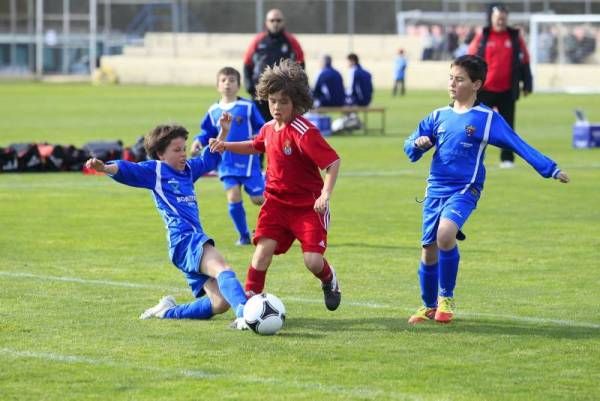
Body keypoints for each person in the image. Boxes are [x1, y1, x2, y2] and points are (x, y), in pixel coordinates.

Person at [403, 55, 569, 325]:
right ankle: (428, 305)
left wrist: (549, 169)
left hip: (466, 189)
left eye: (460, 79)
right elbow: (410, 145)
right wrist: (418, 144)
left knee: (446, 234)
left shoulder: (486, 119)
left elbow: (517, 144)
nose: (453, 84)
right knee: (428, 248)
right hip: (435, 190)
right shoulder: (438, 116)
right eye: (451, 78)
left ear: (476, 84)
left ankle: (447, 298)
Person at [85, 121, 251, 330]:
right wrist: (105, 168)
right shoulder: (156, 171)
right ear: (161, 155)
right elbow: (129, 169)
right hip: (185, 240)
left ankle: (166, 312)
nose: (183, 154)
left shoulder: (188, 169)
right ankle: (246, 314)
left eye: (183, 149)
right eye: (177, 150)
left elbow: (208, 159)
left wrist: (223, 132)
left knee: (219, 303)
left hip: (187, 244)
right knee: (222, 268)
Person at [210, 59, 342, 312]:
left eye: (284, 102)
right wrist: (226, 145)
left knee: (313, 262)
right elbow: (255, 145)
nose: (277, 107)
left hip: (307, 207)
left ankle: (329, 279)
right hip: (276, 203)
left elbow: (333, 162)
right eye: (272, 101)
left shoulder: (304, 132)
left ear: (296, 102)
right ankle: (249, 307)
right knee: (261, 254)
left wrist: (325, 195)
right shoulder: (269, 127)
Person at [191, 67, 265, 246]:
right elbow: (206, 131)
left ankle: (273, 226)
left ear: (238, 85)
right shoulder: (213, 110)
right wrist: (198, 141)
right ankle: (244, 235)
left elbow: (262, 126)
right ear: (217, 85)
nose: (227, 84)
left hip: (249, 162)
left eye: (232, 80)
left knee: (258, 199)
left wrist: (258, 136)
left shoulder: (247, 107)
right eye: (223, 80)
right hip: (226, 163)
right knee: (233, 196)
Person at [467, 3, 533, 169]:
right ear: (491, 18)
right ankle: (472, 157)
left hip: (507, 90)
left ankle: (507, 159)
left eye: (503, 18)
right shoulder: (483, 36)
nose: (500, 21)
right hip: (484, 90)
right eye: (498, 18)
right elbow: (469, 58)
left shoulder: (514, 37)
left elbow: (524, 60)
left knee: (507, 127)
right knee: (477, 125)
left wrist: (527, 83)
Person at [243, 8, 305, 121]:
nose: (275, 23)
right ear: (266, 22)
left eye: (278, 20)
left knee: (284, 126)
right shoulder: (258, 40)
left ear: (283, 22)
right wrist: (250, 87)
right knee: (262, 128)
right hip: (261, 93)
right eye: (272, 20)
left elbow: (300, 64)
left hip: (284, 93)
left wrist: (299, 88)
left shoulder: (291, 41)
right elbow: (247, 64)